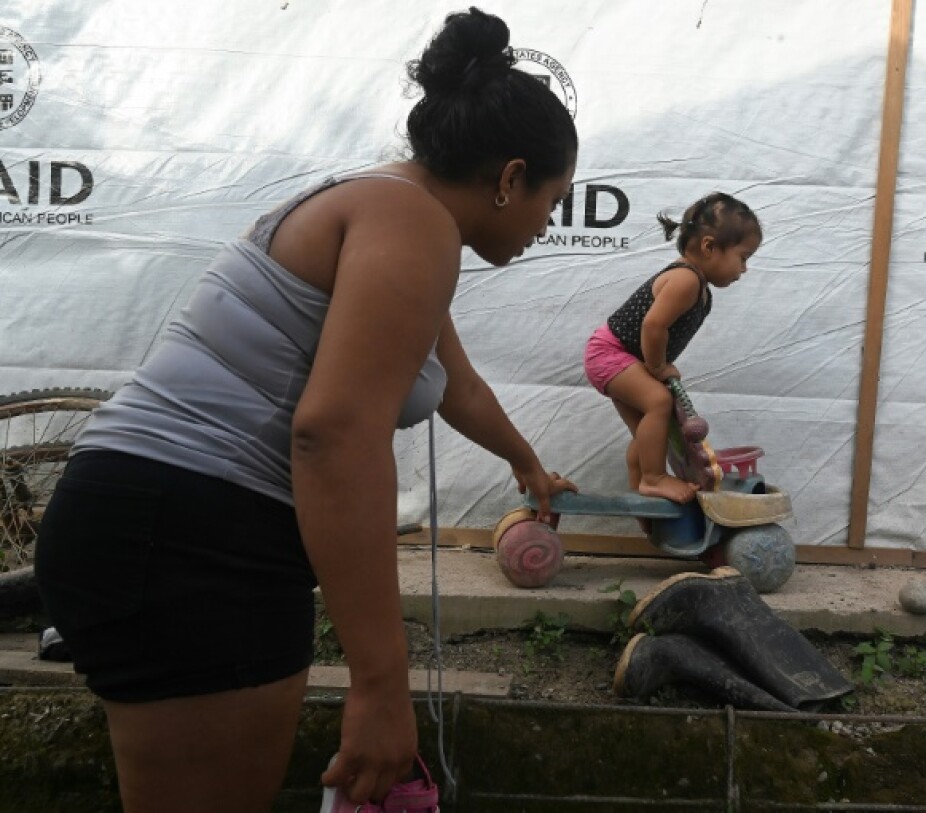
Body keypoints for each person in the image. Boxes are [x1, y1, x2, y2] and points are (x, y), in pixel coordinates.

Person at [34, 7, 577, 812]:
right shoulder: (412, 222)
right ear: (510, 177)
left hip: (164, 522)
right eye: (552, 199)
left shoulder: (400, 212)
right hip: (189, 535)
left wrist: (526, 463)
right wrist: (380, 685)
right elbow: (334, 434)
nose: (547, 224)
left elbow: (453, 383)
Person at [583, 193, 762, 505]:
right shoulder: (685, 280)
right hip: (609, 353)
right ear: (709, 246)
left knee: (648, 430)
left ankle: (641, 489)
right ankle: (653, 479)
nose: (744, 269)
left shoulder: (698, 285)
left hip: (621, 356)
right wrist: (657, 367)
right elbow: (653, 326)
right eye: (743, 257)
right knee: (659, 402)